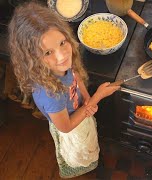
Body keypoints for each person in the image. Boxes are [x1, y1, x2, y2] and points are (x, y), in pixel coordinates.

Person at [8, 1, 120, 178]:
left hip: (80, 111)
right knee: (81, 151)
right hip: (72, 127)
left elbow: (76, 77)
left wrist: (88, 98)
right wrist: (97, 96)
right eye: (47, 53)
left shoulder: (64, 65)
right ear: (32, 58)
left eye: (62, 42)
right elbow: (66, 127)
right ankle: (83, 167)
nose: (62, 56)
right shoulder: (52, 94)